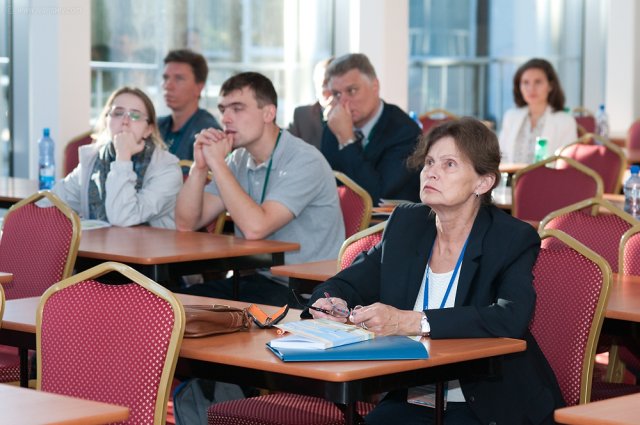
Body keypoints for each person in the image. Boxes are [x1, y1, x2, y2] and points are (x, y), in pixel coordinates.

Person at [306, 118, 564, 424]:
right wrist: (328, 300)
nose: (432, 172)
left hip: (485, 403)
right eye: (429, 162)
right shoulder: (407, 223)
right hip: (414, 396)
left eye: (449, 164)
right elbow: (348, 282)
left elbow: (510, 317)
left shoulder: (510, 238)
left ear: (483, 183)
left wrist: (411, 321)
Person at [175, 71, 344, 306]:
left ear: (268, 113)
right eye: (223, 110)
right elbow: (186, 223)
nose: (226, 119)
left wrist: (218, 163)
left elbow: (256, 228)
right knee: (173, 303)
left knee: (186, 307)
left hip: (306, 292)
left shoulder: (305, 160)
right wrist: (200, 167)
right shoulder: (239, 160)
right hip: (258, 281)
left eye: (237, 108)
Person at [53, 87, 182, 229]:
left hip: (151, 249)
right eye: (118, 113)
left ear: (148, 129)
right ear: (106, 121)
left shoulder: (167, 168)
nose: (125, 121)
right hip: (96, 249)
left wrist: (123, 157)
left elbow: (123, 218)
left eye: (135, 116)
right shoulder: (93, 160)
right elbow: (51, 201)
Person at [320, 53, 422, 205]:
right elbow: (325, 188)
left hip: (387, 225)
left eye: (352, 91)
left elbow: (376, 198)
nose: (343, 102)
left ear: (375, 86)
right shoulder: (334, 127)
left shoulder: (405, 131)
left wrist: (348, 141)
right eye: (337, 94)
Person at [499, 58, 577, 163]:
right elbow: (500, 157)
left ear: (550, 86)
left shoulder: (565, 121)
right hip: (511, 178)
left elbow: (567, 163)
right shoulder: (511, 117)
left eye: (538, 82)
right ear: (519, 87)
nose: (531, 88)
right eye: (525, 82)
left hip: (549, 179)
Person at [158, 49, 221, 160]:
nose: (168, 85)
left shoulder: (209, 134)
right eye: (165, 78)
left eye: (178, 79)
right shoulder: (154, 126)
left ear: (199, 87)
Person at [288, 57, 333, 149]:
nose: (330, 89)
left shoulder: (355, 114)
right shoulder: (302, 115)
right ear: (316, 86)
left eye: (333, 83)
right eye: (324, 84)